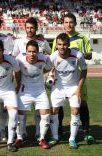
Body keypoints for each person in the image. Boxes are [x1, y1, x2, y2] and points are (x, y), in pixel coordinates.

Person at [51, 13, 95, 144]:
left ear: (75, 23)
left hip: (78, 77)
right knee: (59, 106)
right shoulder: (57, 39)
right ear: (63, 24)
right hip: (62, 78)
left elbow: (89, 55)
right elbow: (54, 57)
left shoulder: (82, 38)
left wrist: (79, 53)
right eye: (66, 22)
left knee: (82, 103)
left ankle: (86, 132)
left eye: (71, 22)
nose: (68, 25)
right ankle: (59, 132)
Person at [12, 17, 51, 141]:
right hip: (24, 82)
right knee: (21, 112)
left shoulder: (42, 42)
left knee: (40, 110)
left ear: (36, 28)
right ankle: (21, 134)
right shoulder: (19, 41)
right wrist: (17, 80)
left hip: (39, 81)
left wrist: (43, 73)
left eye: (32, 28)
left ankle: (39, 134)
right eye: (27, 28)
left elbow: (49, 56)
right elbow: (14, 60)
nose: (29, 30)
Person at [49, 33, 87, 149]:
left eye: (64, 44)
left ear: (68, 44)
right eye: (59, 44)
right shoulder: (53, 57)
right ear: (56, 45)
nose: (62, 47)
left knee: (75, 111)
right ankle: (55, 137)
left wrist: (79, 89)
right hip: (58, 87)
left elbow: (84, 71)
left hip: (73, 87)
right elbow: (48, 70)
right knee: (54, 111)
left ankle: (72, 139)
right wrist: (49, 76)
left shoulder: (78, 55)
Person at [15, 40, 52, 149]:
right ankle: (19, 137)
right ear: (26, 51)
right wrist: (18, 85)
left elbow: (49, 68)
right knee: (20, 115)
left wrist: (44, 76)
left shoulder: (44, 59)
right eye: (29, 51)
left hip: (40, 91)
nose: (32, 54)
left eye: (34, 52)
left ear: (38, 52)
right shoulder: (19, 61)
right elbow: (16, 72)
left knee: (45, 114)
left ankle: (41, 138)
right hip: (25, 91)